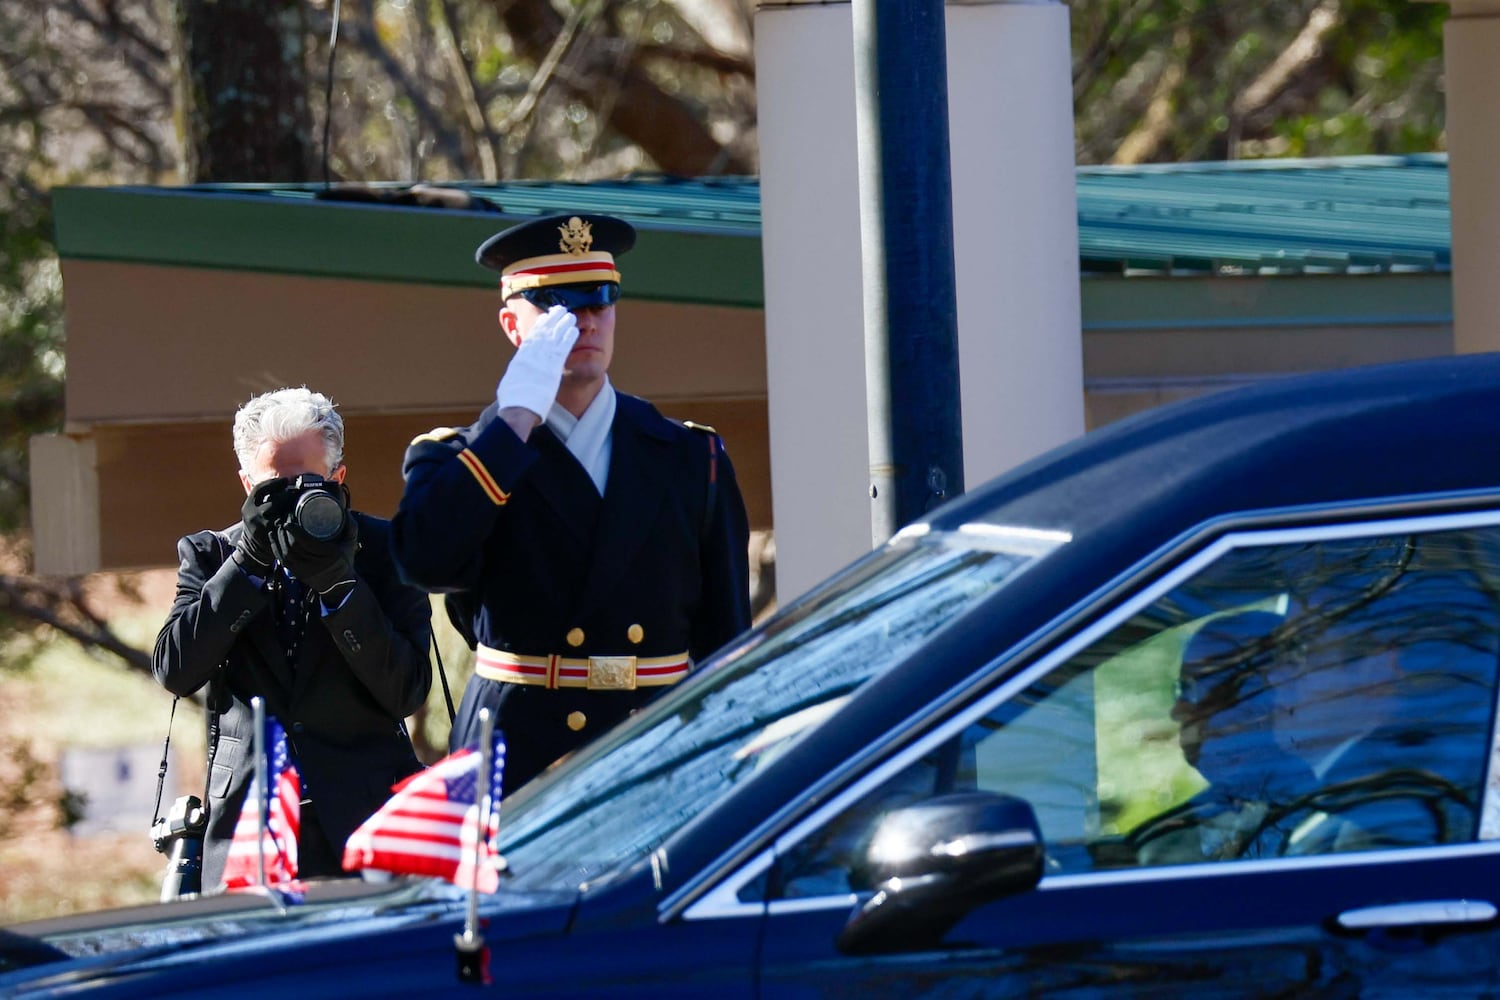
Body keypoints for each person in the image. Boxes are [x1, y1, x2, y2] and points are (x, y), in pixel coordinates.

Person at [392, 212, 751, 794]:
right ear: (513, 325)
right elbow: (424, 560)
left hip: (653, 746)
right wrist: (513, 424)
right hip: (518, 750)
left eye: (599, 301)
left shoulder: (689, 456)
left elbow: (724, 641)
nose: (583, 320)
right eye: (556, 305)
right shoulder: (463, 456)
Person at [153, 387, 432, 889]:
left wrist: (339, 585)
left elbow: (407, 690)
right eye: (274, 487)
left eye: (310, 484)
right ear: (246, 485)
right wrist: (248, 563)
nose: (293, 500)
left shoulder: (383, 550)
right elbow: (175, 671)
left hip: (367, 822)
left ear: (338, 478)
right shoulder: (212, 555)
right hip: (248, 827)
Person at [1132, 610, 1315, 864]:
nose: (1178, 710)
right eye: (1180, 688)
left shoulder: (1308, 823)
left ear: (1261, 699)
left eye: (1194, 687)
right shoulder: (1205, 813)